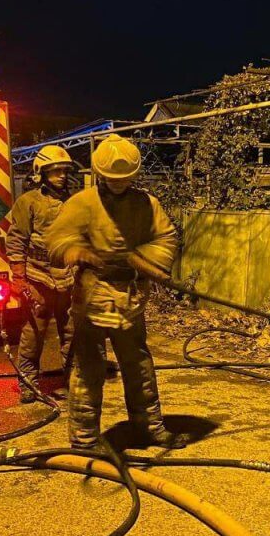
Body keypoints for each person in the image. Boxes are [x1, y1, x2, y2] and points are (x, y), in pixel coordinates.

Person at [45, 134, 187, 450]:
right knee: (89, 367)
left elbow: (166, 238)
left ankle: (149, 426)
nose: (120, 183)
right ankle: (84, 439)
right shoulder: (81, 204)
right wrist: (76, 252)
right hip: (92, 296)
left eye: (125, 179)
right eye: (112, 178)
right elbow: (56, 242)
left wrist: (140, 262)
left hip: (130, 297)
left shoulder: (146, 204)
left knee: (138, 363)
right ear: (101, 175)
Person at [6, 145, 76, 403]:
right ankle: (29, 384)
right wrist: (19, 277)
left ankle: (72, 382)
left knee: (72, 332)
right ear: (41, 173)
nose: (61, 176)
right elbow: (17, 240)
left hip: (69, 277)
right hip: (39, 278)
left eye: (64, 171)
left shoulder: (74, 201)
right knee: (34, 332)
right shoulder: (28, 202)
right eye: (55, 171)